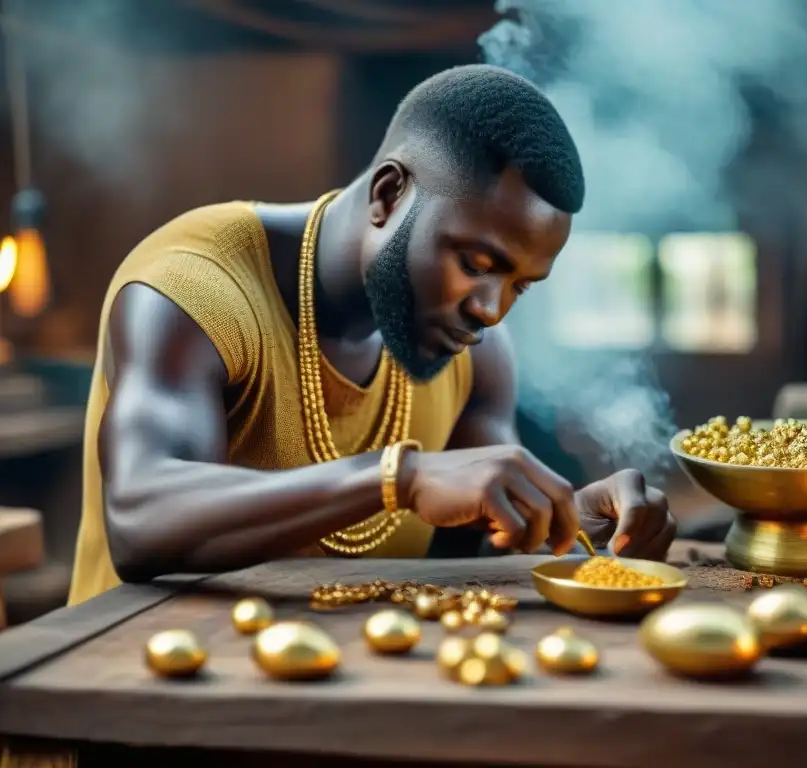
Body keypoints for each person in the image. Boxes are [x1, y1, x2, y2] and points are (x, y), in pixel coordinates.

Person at [68, 64, 677, 606]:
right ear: (390, 194)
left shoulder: (476, 355)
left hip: (340, 703)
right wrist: (400, 478)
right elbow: (139, 518)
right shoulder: (193, 288)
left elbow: (490, 525)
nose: (492, 311)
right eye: (477, 265)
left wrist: (572, 527)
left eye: (522, 285)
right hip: (142, 699)